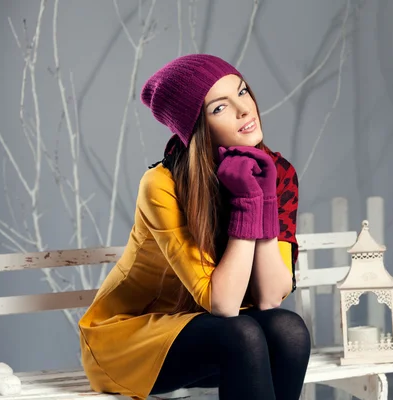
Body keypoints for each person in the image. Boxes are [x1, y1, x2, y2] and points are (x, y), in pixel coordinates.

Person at [78, 54, 311, 400]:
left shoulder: (276, 172)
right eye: (219, 108)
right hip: (130, 338)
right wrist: (248, 204)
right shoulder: (162, 185)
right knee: (241, 333)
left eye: (242, 92)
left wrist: (263, 195)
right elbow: (225, 305)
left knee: (288, 329)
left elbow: (270, 296)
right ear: (196, 127)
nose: (244, 110)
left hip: (216, 335)